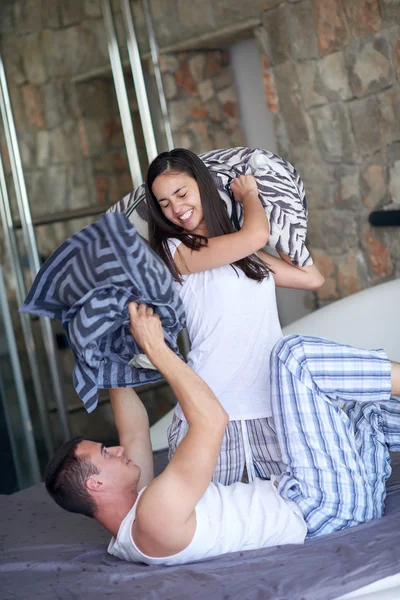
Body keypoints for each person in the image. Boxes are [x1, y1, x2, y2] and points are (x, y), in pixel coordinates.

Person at [45, 302, 400, 566]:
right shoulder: (154, 517)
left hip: (337, 502)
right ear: (96, 485)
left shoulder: (135, 522)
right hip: (322, 509)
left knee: (365, 408)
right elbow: (212, 419)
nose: (120, 450)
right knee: (294, 359)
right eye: (106, 455)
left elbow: (135, 430)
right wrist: (156, 348)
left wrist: (103, 351)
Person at [144, 148, 325, 484]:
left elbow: (311, 279)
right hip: (209, 411)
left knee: (297, 513)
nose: (176, 209)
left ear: (203, 184)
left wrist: (288, 239)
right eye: (164, 203)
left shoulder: (245, 255)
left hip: (271, 406)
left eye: (181, 193)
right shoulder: (174, 253)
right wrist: (251, 195)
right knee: (207, 522)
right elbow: (255, 233)